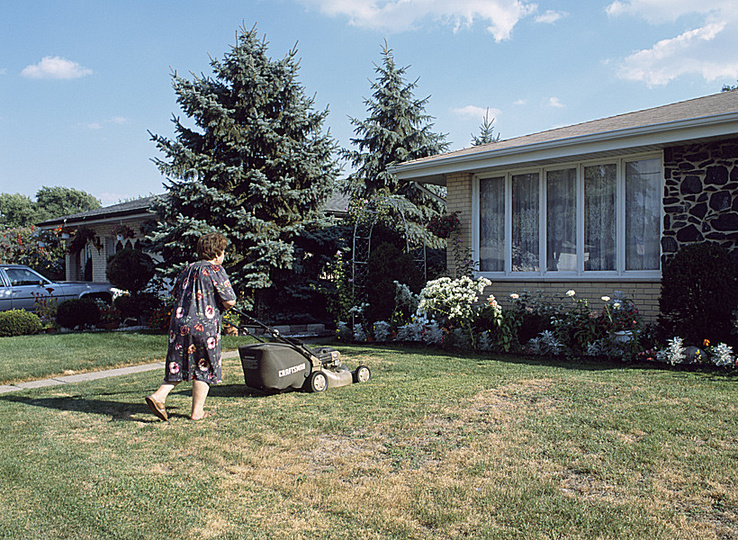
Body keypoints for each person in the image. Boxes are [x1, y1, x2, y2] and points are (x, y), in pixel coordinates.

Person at [145, 233, 236, 421]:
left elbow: (177, 293)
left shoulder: (188, 269)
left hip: (179, 323)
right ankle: (196, 412)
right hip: (204, 325)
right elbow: (229, 301)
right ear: (217, 253)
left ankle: (159, 396)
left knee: (179, 363)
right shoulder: (215, 269)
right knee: (204, 365)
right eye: (224, 251)